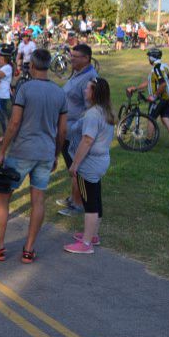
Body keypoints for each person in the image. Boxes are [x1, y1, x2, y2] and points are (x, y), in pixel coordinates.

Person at [0, 49, 67, 263]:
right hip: (45, 153)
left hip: (22, 151)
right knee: (38, 201)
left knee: (3, 197)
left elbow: (14, 123)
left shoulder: (25, 88)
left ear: (32, 66)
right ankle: (28, 249)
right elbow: (62, 130)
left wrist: (2, 151)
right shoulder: (59, 92)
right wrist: (55, 154)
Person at [64, 77, 116, 254]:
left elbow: (87, 140)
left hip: (90, 164)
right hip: (101, 160)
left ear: (94, 93)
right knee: (96, 198)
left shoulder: (93, 114)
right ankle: (93, 235)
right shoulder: (104, 111)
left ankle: (86, 244)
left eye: (88, 89)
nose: (85, 91)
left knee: (90, 203)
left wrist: (75, 164)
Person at [57, 44, 98, 216]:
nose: (71, 59)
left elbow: (90, 109)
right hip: (67, 128)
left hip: (75, 131)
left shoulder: (89, 78)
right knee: (71, 166)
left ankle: (78, 204)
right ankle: (73, 198)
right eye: (71, 55)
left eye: (75, 56)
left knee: (77, 168)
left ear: (86, 58)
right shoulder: (78, 72)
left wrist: (74, 128)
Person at [126, 48, 169, 151]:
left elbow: (163, 84)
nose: (148, 59)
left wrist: (154, 96)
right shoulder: (163, 66)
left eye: (148, 57)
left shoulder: (157, 69)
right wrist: (136, 88)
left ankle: (148, 141)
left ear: (152, 58)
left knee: (151, 118)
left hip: (160, 98)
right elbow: (149, 82)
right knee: (165, 118)